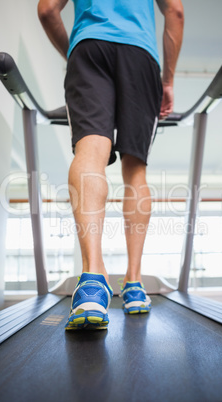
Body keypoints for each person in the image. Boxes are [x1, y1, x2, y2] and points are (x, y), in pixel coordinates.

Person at [38, 0, 184, 330]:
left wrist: (75, 50)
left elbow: (47, 9)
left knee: (90, 154)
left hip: (89, 47)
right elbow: (174, 11)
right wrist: (168, 81)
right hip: (140, 56)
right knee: (136, 171)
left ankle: (92, 282)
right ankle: (133, 285)